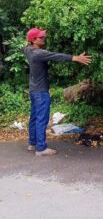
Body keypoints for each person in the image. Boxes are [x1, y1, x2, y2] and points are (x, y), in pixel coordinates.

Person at [23, 28, 91, 156]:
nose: (43, 38)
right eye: (40, 37)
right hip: (41, 92)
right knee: (41, 119)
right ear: (33, 40)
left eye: (43, 36)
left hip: (33, 90)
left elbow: (23, 47)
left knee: (34, 118)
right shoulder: (39, 53)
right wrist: (75, 58)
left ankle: (32, 144)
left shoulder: (27, 50)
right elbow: (56, 56)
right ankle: (41, 148)